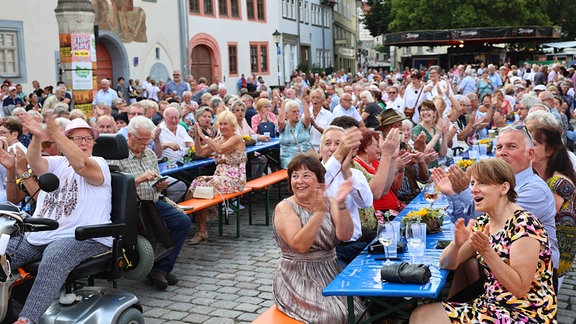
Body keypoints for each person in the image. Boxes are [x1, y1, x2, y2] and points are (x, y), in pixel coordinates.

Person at [411, 158, 557, 323]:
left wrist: (487, 252)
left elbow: (520, 288)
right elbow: (447, 264)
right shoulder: (484, 222)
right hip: (491, 304)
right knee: (420, 314)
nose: (473, 189)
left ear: (504, 187)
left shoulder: (524, 225)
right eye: (472, 183)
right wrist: (456, 245)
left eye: (482, 184)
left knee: (426, 318)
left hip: (525, 312)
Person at [8, 115, 112, 324]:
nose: (83, 143)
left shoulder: (99, 164)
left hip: (84, 236)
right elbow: (35, 162)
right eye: (77, 138)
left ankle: (27, 320)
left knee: (54, 257)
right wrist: (37, 138)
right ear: (65, 143)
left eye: (88, 138)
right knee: (3, 254)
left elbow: (81, 165)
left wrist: (56, 133)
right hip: (42, 234)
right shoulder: (58, 163)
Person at [435, 125, 559, 295]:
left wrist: (463, 191)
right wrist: (453, 194)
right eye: (499, 147)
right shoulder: (493, 194)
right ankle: (454, 304)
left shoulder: (534, 190)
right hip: (499, 267)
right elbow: (470, 218)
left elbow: (494, 217)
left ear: (530, 154)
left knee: (469, 262)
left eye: (511, 146)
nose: (502, 152)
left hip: (533, 281)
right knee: (465, 263)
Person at [272, 154, 365, 323]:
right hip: (297, 275)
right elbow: (299, 245)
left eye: (306, 175)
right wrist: (318, 213)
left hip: (330, 269)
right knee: (331, 316)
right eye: (295, 176)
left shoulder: (331, 201)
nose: (299, 181)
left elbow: (345, 235)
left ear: (320, 182)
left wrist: (342, 204)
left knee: (358, 310)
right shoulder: (285, 208)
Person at [110, 116, 191, 290]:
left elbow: (155, 184)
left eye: (148, 139)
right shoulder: (117, 155)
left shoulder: (150, 153)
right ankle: (157, 269)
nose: (145, 143)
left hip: (152, 201)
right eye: (141, 139)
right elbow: (114, 187)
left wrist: (160, 185)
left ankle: (161, 268)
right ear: (130, 136)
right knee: (155, 229)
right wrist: (139, 179)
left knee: (182, 222)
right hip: (130, 207)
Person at [186, 111, 247, 245]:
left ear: (233, 125)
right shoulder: (219, 138)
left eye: (226, 124)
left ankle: (196, 226)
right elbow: (200, 152)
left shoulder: (236, 138)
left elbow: (219, 150)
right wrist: (197, 135)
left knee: (203, 186)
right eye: (221, 124)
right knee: (196, 182)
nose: (223, 127)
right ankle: (188, 218)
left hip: (235, 180)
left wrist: (205, 136)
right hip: (220, 177)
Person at [530, 122, 576, 287]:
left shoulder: (557, 183)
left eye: (534, 144)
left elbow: (541, 221)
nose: (528, 148)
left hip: (553, 258)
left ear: (549, 150)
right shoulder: (541, 177)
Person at [412, 100, 451, 168]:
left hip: (436, 167)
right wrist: (437, 134)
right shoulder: (417, 130)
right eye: (422, 110)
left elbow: (442, 153)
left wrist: (444, 135)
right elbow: (422, 152)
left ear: (434, 113)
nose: (425, 112)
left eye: (428, 109)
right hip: (424, 169)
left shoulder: (434, 129)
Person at [278, 99, 311, 169]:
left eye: (298, 111)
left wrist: (303, 100)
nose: (297, 113)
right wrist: (283, 103)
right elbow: (281, 122)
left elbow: (308, 117)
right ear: (286, 113)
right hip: (289, 159)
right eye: (294, 111)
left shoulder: (302, 123)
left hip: (306, 156)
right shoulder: (284, 125)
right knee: (297, 166)